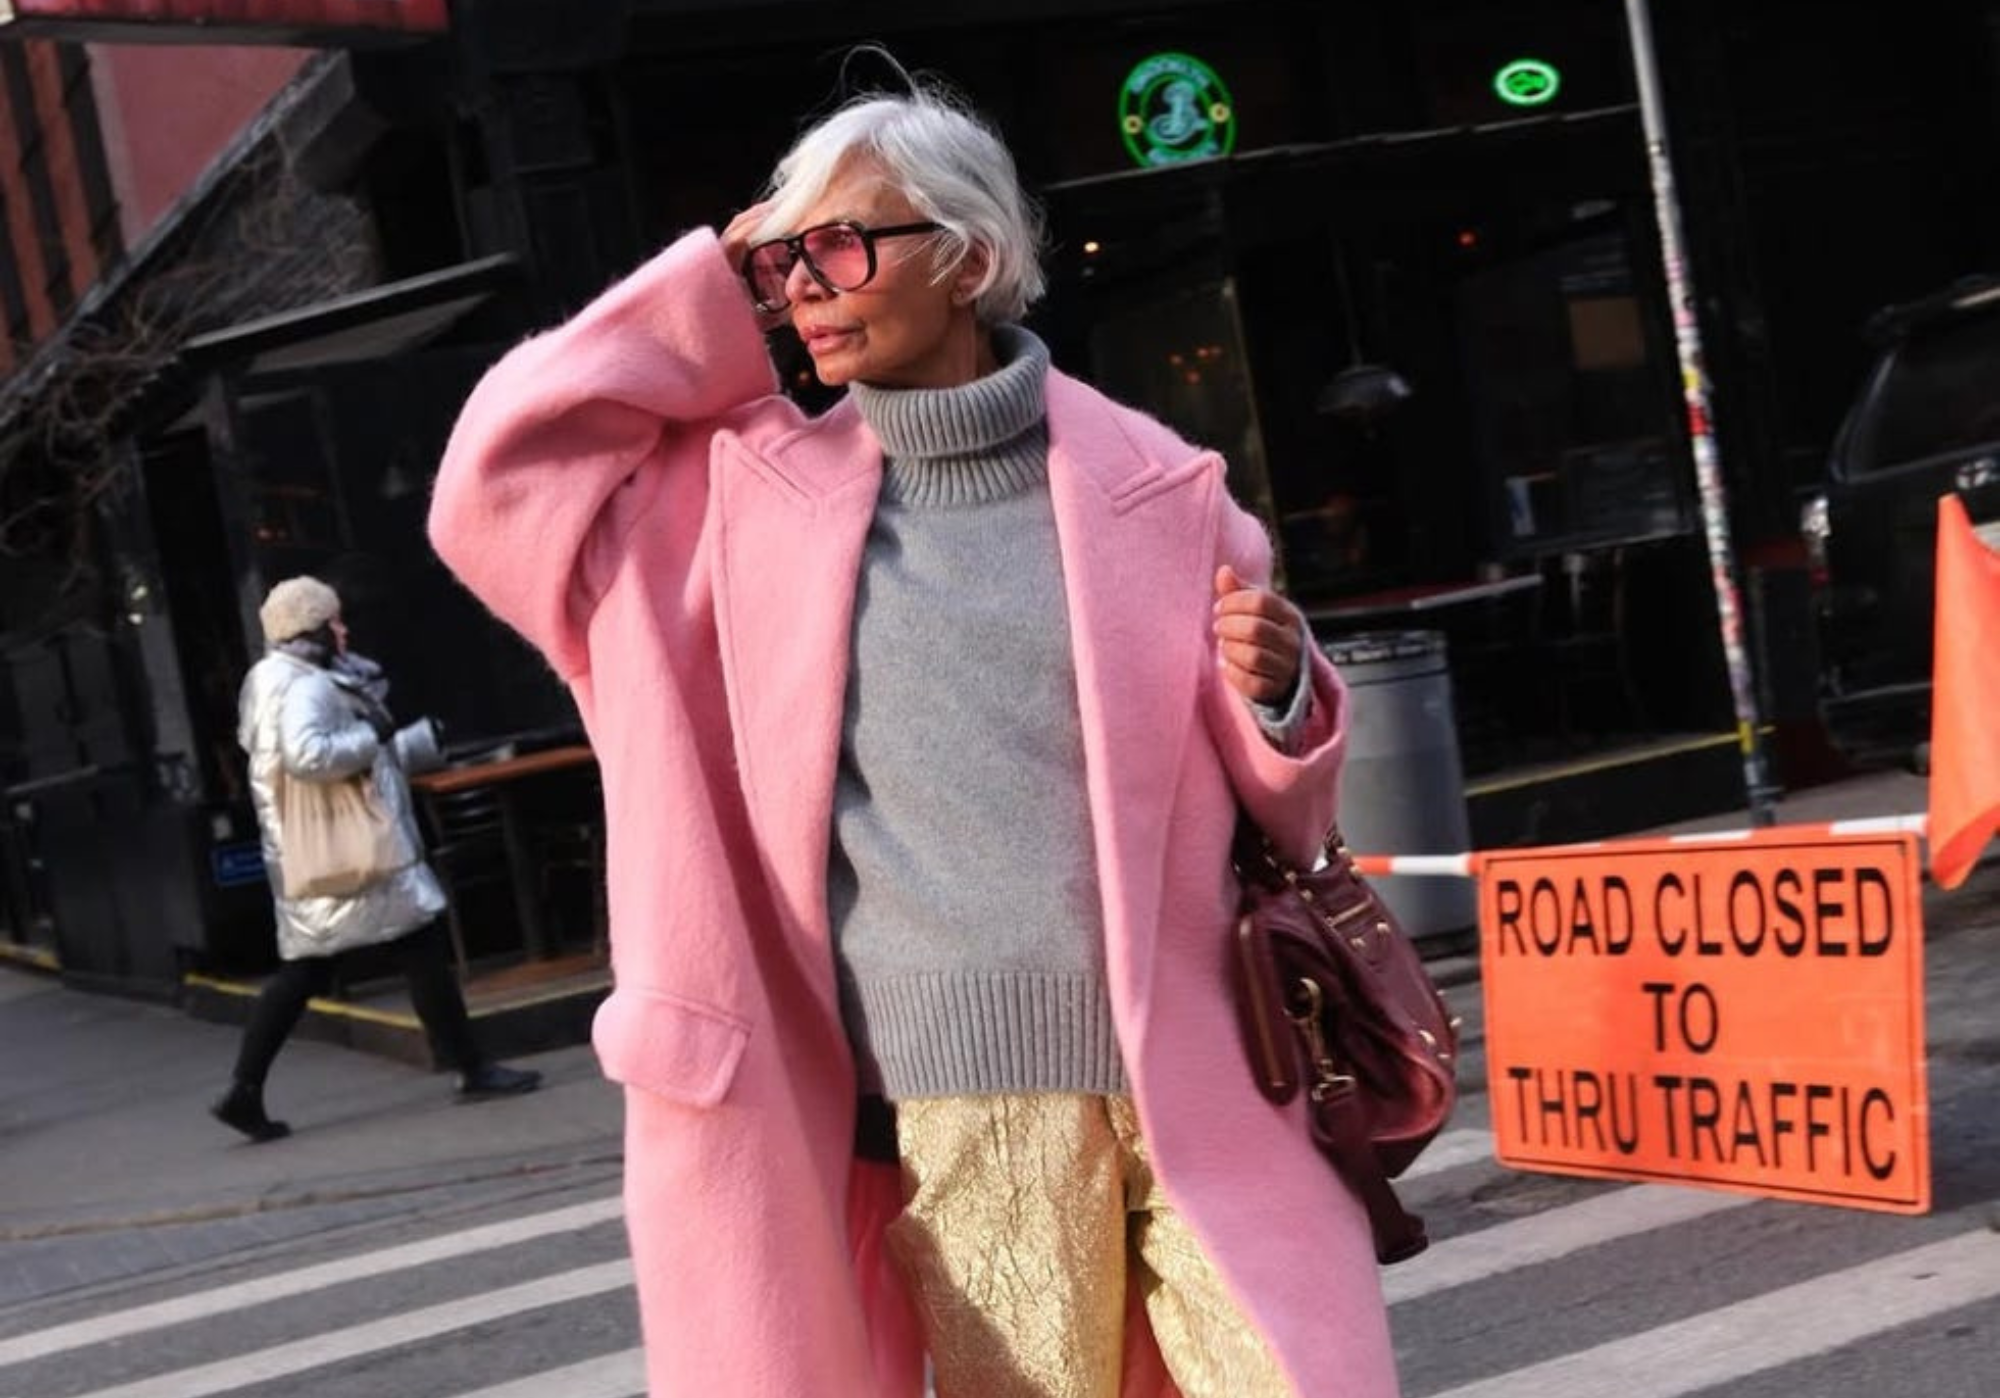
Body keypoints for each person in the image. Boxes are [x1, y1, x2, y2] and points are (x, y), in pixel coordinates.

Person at [430, 71, 1396, 1398]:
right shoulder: (731, 510)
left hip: (1210, 1076)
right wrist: (707, 287)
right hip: (962, 1104)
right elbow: (496, 480)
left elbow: (1280, 820)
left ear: (969, 258)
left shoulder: (1166, 495)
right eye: (785, 257)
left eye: (840, 243)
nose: (802, 285)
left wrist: (1283, 698)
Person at [211, 576, 541, 1142]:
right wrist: (379, 732)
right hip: (354, 853)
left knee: (307, 971)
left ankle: (244, 1089)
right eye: (332, 620)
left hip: (315, 856)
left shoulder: (273, 679)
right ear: (308, 630)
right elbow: (310, 756)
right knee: (420, 945)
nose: (343, 628)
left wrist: (408, 742)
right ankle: (471, 1067)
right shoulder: (306, 685)